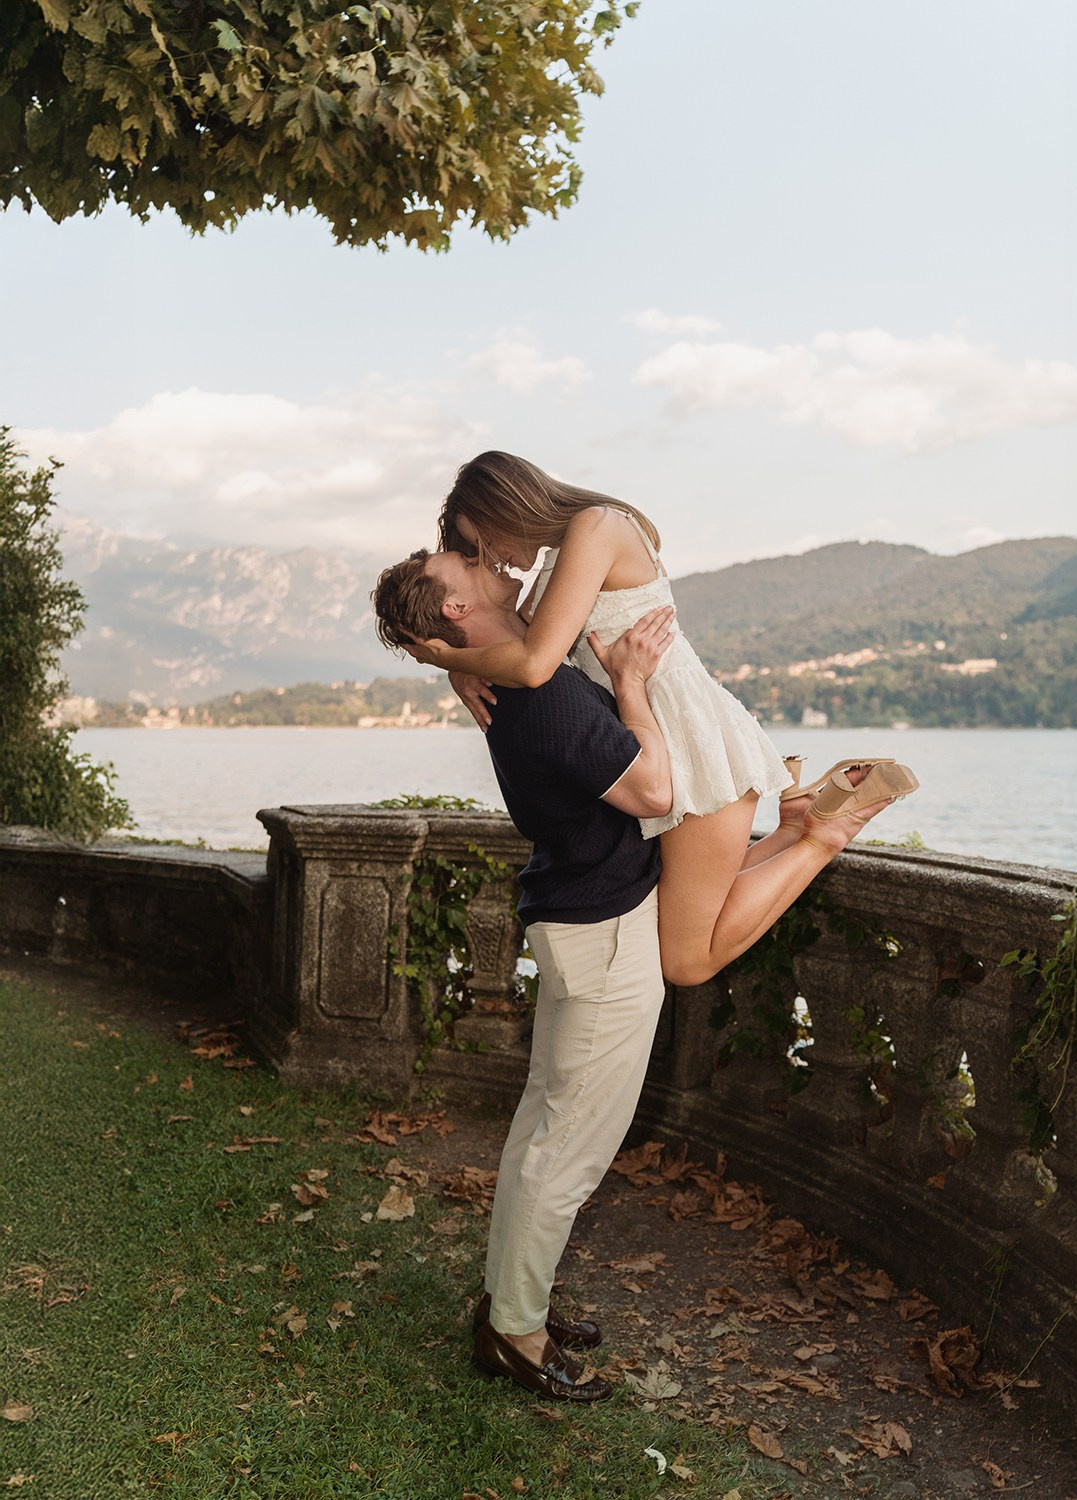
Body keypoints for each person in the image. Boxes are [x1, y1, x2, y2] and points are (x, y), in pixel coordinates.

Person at [372, 544, 896, 1402]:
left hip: (583, 920)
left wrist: (784, 837)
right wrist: (633, 687)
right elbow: (654, 795)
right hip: (603, 938)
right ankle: (515, 1335)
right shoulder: (535, 692)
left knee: (544, 1132)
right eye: (459, 561)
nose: (480, 559)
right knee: (566, 1152)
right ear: (457, 611)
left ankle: (511, 1305)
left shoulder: (513, 676)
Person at [403, 451, 919, 987]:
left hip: (690, 742)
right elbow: (510, 648)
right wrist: (458, 671)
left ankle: (823, 837)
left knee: (685, 961)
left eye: (479, 541)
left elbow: (533, 665)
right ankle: (800, 823)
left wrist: (446, 659)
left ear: (506, 506)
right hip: (655, 742)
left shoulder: (596, 527)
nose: (491, 559)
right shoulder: (554, 573)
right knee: (690, 909)